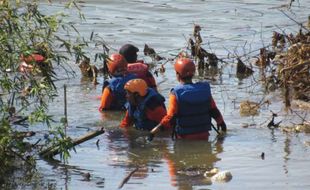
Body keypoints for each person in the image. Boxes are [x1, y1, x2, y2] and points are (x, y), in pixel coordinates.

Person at [149, 57, 226, 140]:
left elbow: (170, 118)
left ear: (177, 74)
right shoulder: (204, 90)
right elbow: (213, 110)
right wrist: (221, 123)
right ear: (193, 73)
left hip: (184, 137)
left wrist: (154, 131)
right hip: (204, 135)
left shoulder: (176, 93)